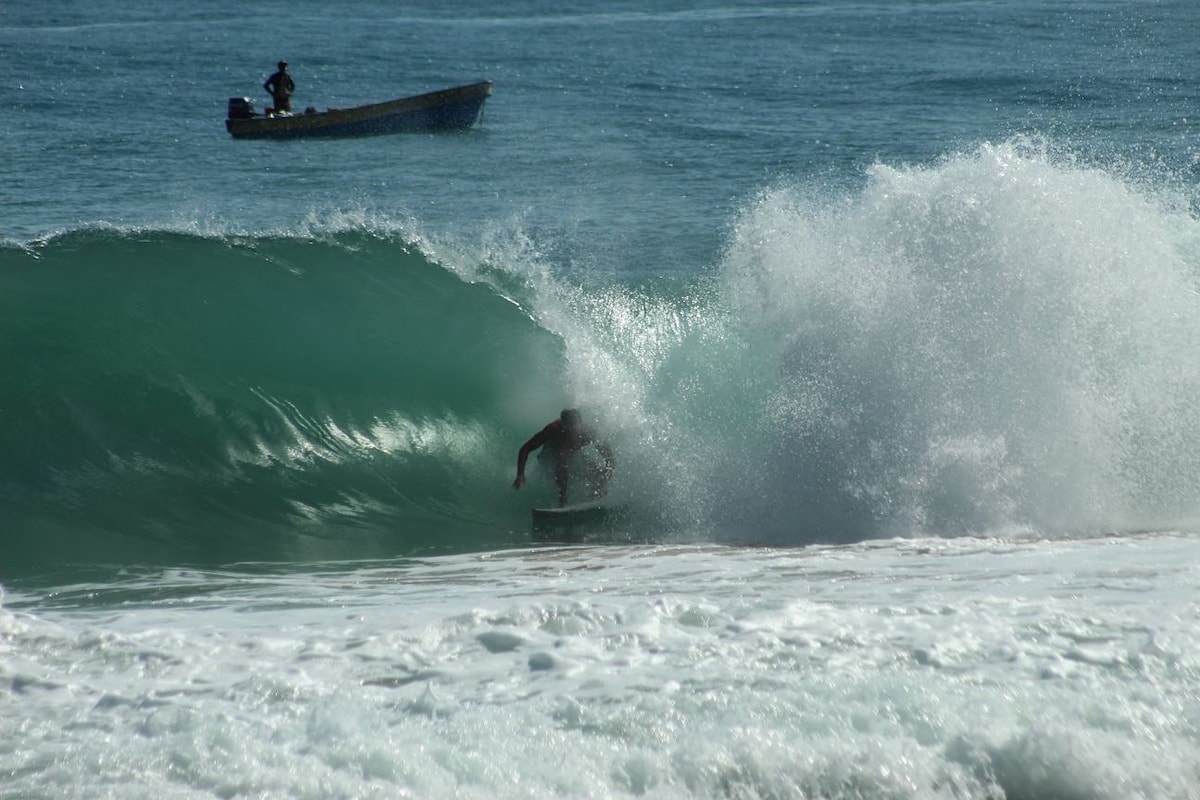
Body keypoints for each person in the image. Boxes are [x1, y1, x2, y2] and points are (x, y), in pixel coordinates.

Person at [513, 409, 614, 507]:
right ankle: (562, 500)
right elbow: (525, 449)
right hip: (549, 454)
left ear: (580, 423)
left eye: (574, 424)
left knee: (597, 470)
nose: (571, 428)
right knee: (563, 459)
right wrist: (520, 474)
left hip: (573, 455)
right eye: (568, 425)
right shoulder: (553, 430)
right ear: (563, 424)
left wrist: (608, 470)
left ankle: (595, 496)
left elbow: (607, 453)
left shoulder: (589, 433)